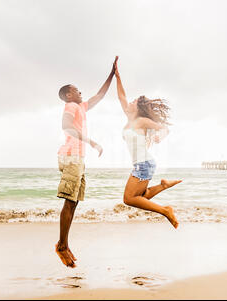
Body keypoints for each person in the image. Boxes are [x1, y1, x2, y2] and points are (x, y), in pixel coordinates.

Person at [55, 57, 117, 268]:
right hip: (71, 155)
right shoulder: (71, 106)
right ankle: (62, 245)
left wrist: (112, 72)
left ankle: (64, 243)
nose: (81, 92)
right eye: (77, 90)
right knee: (69, 201)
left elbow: (99, 95)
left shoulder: (81, 107)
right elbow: (66, 126)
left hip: (78, 158)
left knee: (74, 202)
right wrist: (90, 141)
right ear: (69, 95)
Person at [114, 57, 181, 228]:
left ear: (137, 107)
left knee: (129, 199)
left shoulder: (142, 121)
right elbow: (121, 96)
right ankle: (163, 186)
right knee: (139, 198)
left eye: (133, 101)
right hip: (142, 164)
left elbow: (165, 128)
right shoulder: (130, 118)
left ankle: (166, 210)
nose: (129, 102)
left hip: (144, 164)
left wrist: (161, 136)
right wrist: (117, 75)